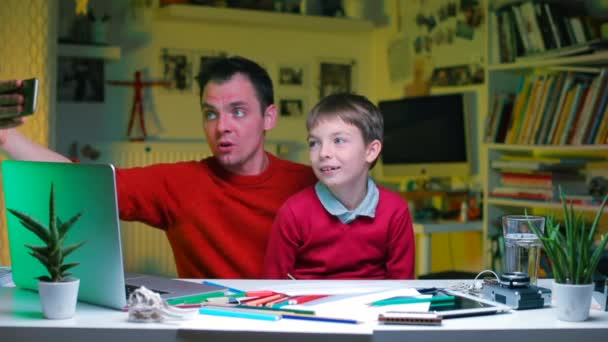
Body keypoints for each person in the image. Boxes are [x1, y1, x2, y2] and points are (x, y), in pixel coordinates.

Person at [0, 56, 317, 279]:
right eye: (210, 114)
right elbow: (82, 181)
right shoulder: (179, 183)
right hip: (206, 327)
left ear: (269, 117)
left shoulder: (309, 184)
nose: (222, 127)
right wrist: (5, 136)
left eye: (238, 112)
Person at [263, 93, 415, 280]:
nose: (324, 153)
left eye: (338, 140)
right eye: (314, 143)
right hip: (307, 307)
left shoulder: (395, 211)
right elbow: (274, 284)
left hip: (373, 308)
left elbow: (402, 285)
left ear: (371, 151)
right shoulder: (293, 212)